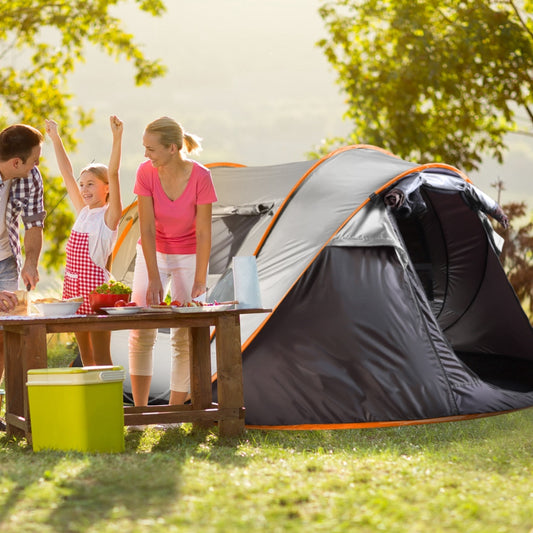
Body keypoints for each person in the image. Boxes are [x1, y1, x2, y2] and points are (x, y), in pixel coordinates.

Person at [128, 116, 217, 407]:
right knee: (142, 329)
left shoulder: (201, 177)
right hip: (153, 253)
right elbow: (147, 228)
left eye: (151, 149)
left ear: (172, 148)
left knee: (184, 333)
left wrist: (200, 279)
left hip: (189, 255)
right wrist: (154, 276)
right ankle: (141, 412)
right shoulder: (146, 172)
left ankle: (175, 412)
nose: (145, 155)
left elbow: (204, 231)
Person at [45, 116, 124, 366]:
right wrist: (55, 138)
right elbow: (66, 173)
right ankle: (91, 403)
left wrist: (117, 138)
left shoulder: (109, 217)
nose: (84, 189)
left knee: (101, 356)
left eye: (91, 184)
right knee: (86, 356)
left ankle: (109, 402)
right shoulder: (83, 213)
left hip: (96, 295)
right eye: (82, 185)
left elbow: (114, 171)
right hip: (73, 294)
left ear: (107, 188)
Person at [0, 123, 46, 431]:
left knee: (4, 334)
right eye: (34, 160)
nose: (37, 165)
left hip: (5, 261)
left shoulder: (29, 177)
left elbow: (33, 223)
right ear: (16, 162)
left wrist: (31, 262)